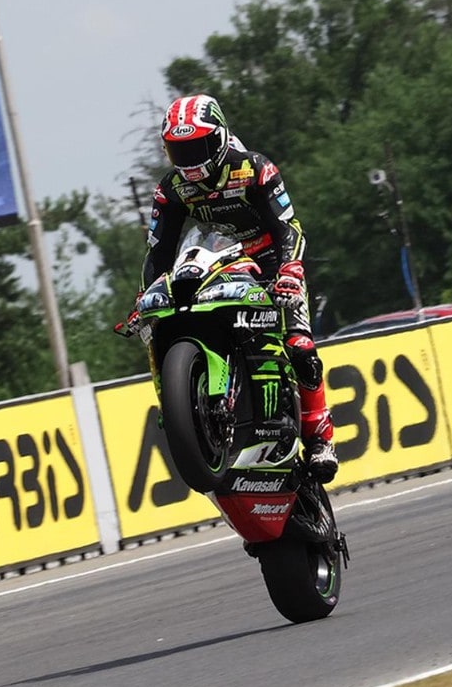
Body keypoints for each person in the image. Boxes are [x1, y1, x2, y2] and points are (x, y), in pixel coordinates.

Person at [132, 94, 337, 482]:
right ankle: (187, 409)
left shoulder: (255, 169)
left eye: (198, 148)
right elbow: (158, 251)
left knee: (300, 347)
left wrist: (290, 270)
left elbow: (288, 227)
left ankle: (319, 440)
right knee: (162, 321)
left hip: (271, 261)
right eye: (179, 150)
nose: (189, 161)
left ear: (221, 138)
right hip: (218, 262)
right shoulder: (170, 189)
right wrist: (144, 296)